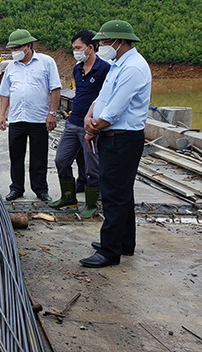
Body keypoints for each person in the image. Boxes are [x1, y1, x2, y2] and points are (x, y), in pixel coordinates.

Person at [81, 19, 152, 268]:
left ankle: (110, 251)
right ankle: (124, 242)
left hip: (122, 139)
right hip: (111, 136)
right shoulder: (117, 65)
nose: (100, 46)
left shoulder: (133, 68)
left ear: (119, 42)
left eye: (103, 42)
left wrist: (94, 126)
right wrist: (90, 117)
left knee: (113, 195)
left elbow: (115, 110)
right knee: (122, 193)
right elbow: (102, 98)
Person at [48, 30, 110, 218]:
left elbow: (106, 97)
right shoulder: (77, 69)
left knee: (92, 166)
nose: (75, 51)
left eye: (78, 48)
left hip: (91, 125)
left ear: (91, 48)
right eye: (73, 48)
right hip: (73, 122)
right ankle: (69, 197)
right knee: (61, 160)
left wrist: (97, 123)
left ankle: (91, 205)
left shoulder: (104, 69)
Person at [0, 29, 62, 202]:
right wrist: (2, 115)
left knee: (39, 156)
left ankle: (40, 189)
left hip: (39, 118)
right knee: (16, 155)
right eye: (12, 48)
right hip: (17, 118)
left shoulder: (46, 62)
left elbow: (55, 89)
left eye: (17, 47)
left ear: (28, 46)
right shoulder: (11, 66)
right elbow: (5, 93)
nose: (14, 52)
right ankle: (16, 188)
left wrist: (52, 113)